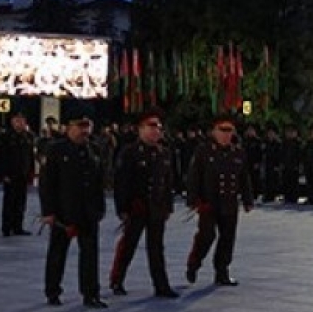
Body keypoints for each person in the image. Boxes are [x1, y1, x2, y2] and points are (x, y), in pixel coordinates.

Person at [108, 110, 179, 299]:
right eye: (151, 127)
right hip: (136, 207)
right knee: (128, 245)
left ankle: (161, 285)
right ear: (141, 129)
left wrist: (168, 206)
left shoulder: (164, 153)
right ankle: (117, 280)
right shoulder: (130, 152)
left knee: (156, 248)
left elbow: (167, 183)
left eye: (159, 128)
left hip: (156, 207)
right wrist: (122, 208)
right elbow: (121, 183)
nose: (156, 131)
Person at [40, 112, 108, 307]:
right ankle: (53, 291)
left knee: (90, 254)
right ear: (69, 128)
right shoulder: (56, 149)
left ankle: (90, 293)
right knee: (57, 253)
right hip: (64, 211)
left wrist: (100, 207)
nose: (84, 131)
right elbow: (47, 183)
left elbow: (98, 182)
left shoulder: (93, 148)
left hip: (88, 212)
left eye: (87, 127)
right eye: (80, 126)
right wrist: (48, 212)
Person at [185, 114, 255, 286]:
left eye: (229, 130)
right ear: (214, 131)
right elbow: (194, 176)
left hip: (229, 202)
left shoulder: (237, 152)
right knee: (206, 236)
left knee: (227, 238)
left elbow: (244, 178)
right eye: (222, 130)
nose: (225, 134)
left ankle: (222, 271)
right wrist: (193, 198)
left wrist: (248, 199)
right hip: (209, 202)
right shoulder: (204, 151)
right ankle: (194, 263)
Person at [0, 113, 37, 236]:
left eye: (22, 121)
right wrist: (3, 174)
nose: (20, 124)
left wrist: (31, 172)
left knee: (21, 202)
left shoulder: (28, 136)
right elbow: (1, 157)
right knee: (9, 202)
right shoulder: (6, 137)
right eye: (17, 121)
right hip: (10, 174)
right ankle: (6, 227)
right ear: (12, 122)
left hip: (23, 173)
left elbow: (30, 156)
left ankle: (18, 226)